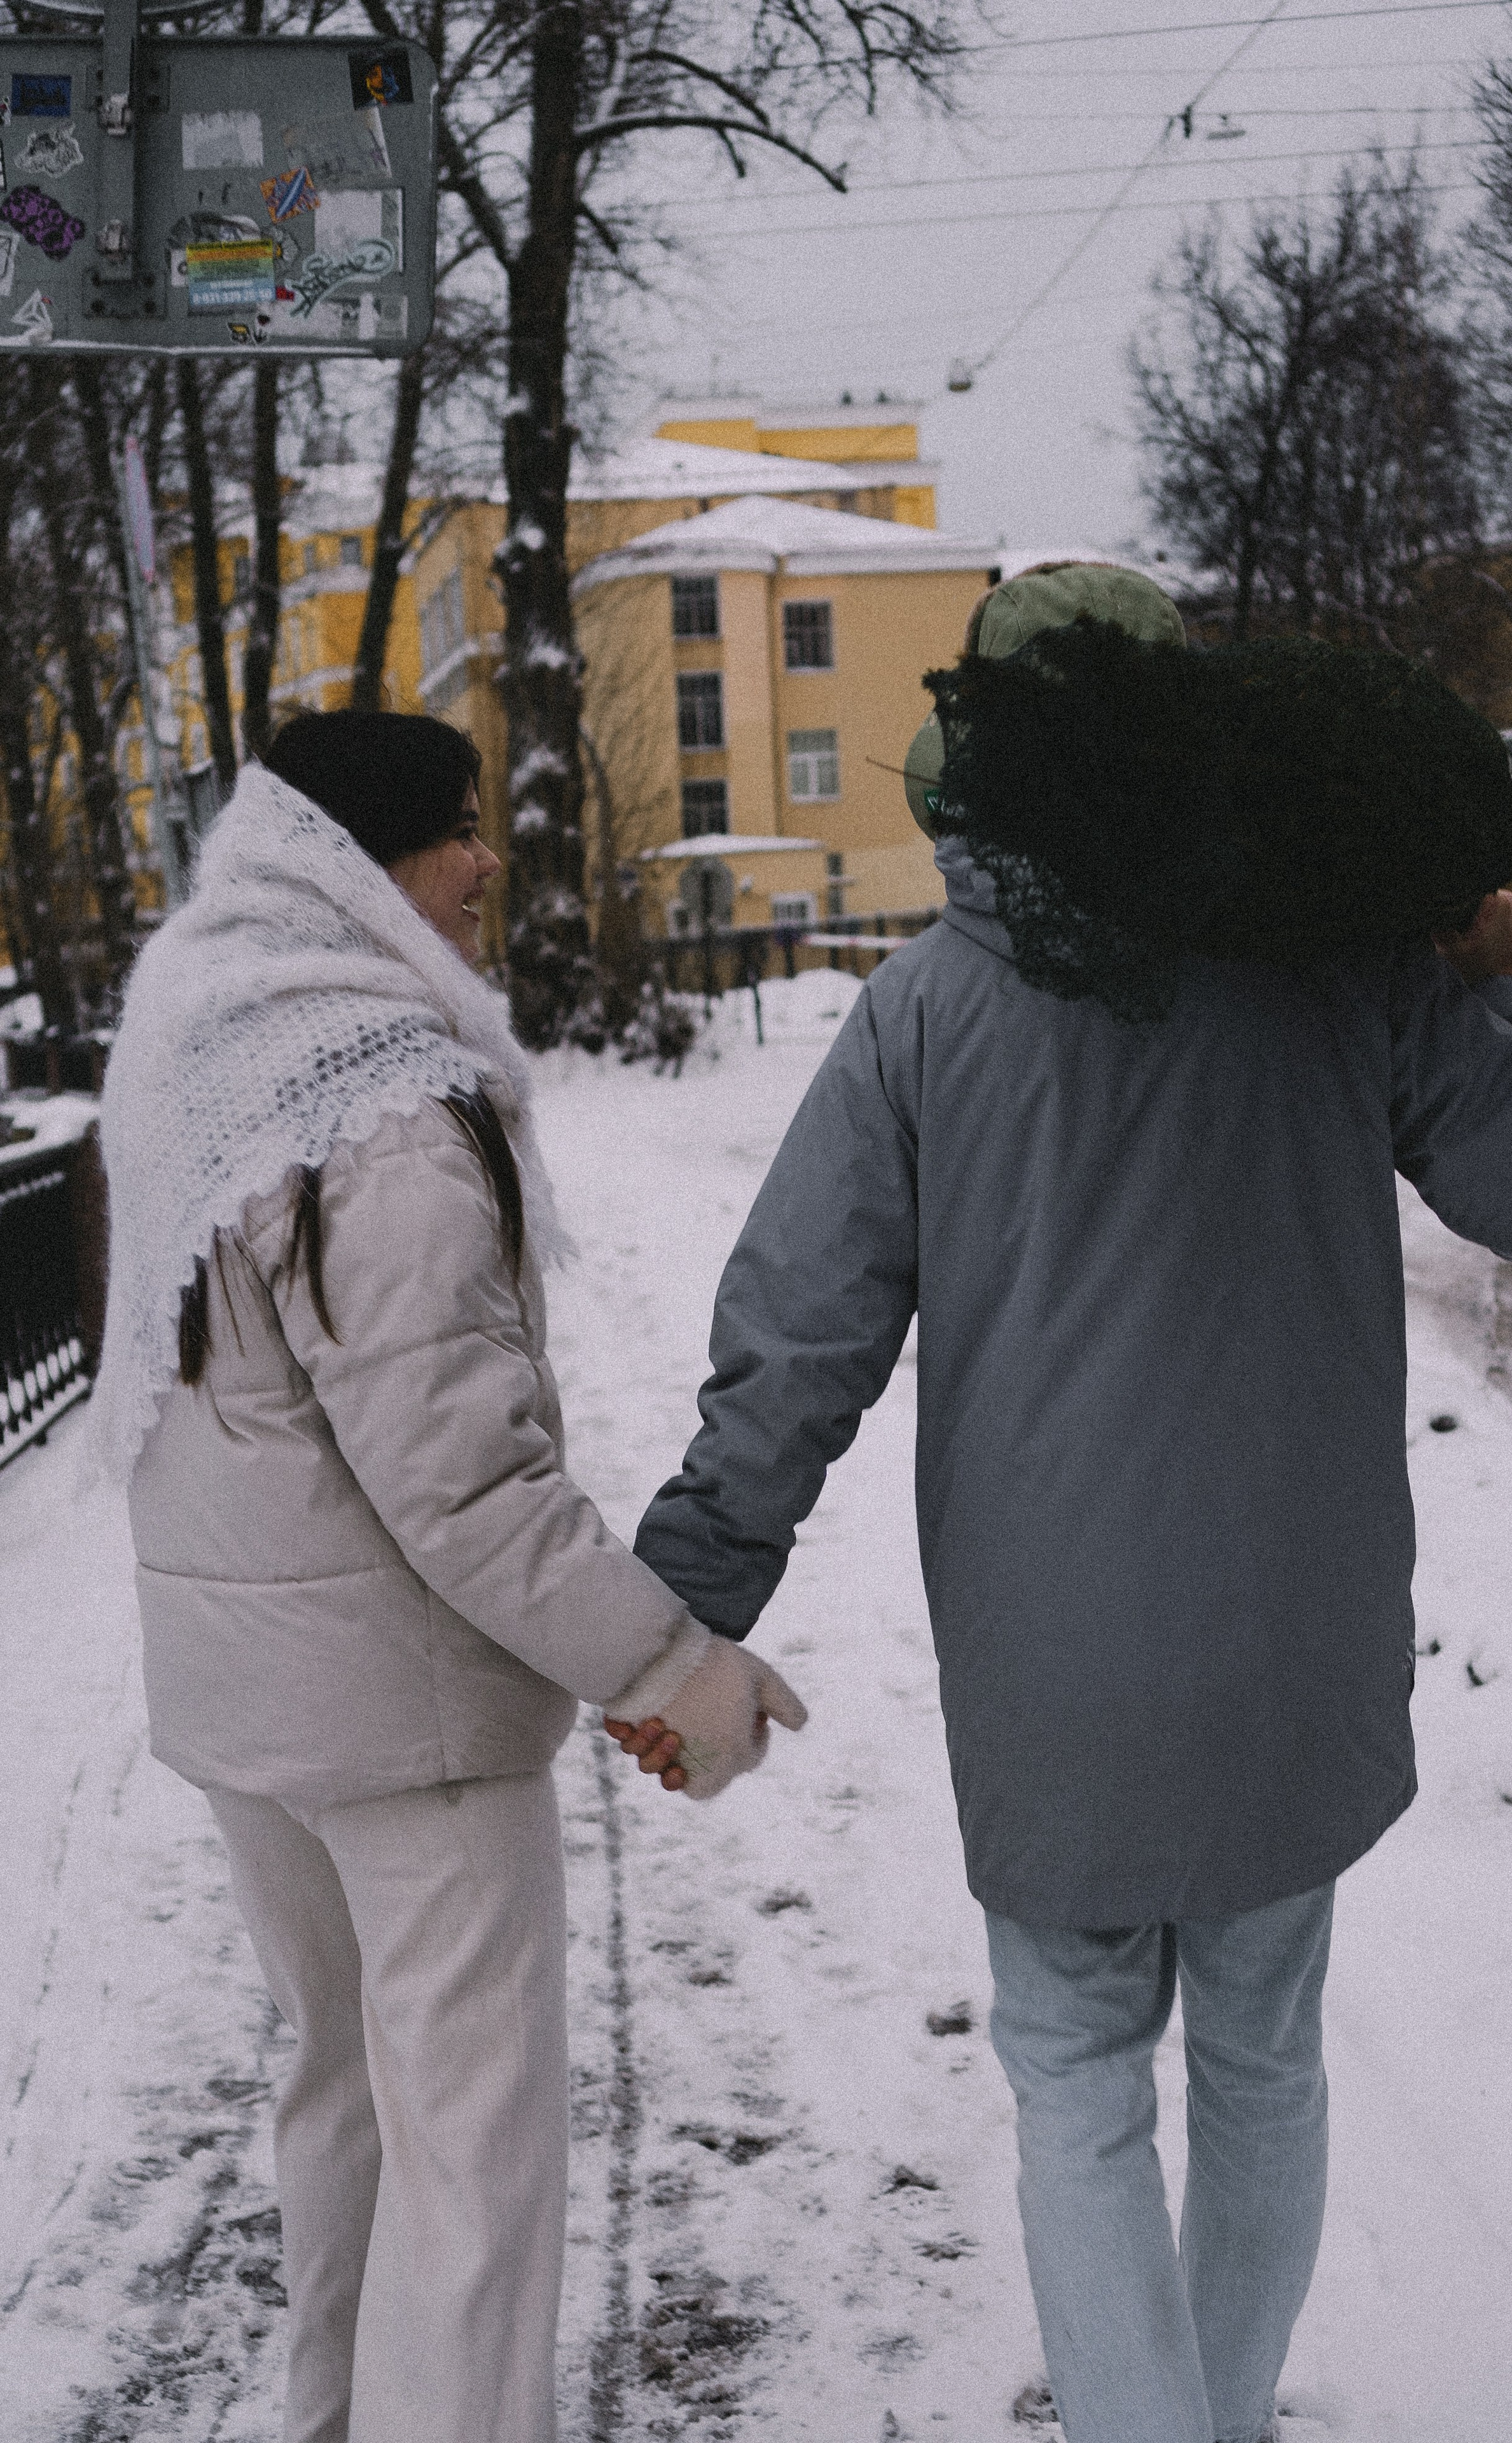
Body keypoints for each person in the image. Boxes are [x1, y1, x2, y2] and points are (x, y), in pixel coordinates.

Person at [611, 567, 1512, 2443]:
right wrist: (1511, 978)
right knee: (1264, 2064)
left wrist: (689, 1594)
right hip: (1294, 1648)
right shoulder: (1347, 969)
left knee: (1075, 2083)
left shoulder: (922, 1014)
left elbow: (798, 1339)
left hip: (1055, 1672)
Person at [88, 708, 805, 2443]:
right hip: (402, 1722)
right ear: (356, 861)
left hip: (248, 1696)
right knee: (471, 2162)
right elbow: (464, 1479)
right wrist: (671, 1666)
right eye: (451, 830)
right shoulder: (378, 1095)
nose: (486, 861)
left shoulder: (195, 1023)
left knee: (340, 2096)